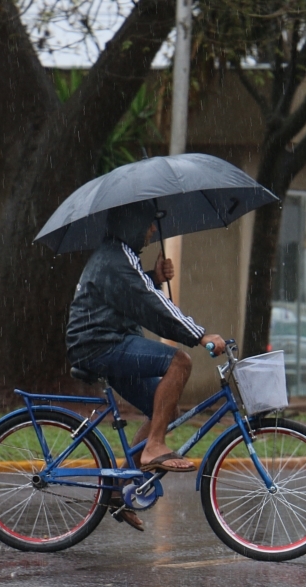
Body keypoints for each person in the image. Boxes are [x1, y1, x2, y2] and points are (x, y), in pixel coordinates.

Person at [66, 202, 225, 531]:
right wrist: (199, 335)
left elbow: (132, 293)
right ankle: (153, 447)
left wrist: (154, 276)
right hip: (101, 344)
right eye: (149, 224)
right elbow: (153, 308)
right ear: (132, 224)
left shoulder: (118, 256)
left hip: (105, 340)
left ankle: (117, 493)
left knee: (161, 407)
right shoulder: (117, 257)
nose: (152, 231)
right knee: (179, 361)